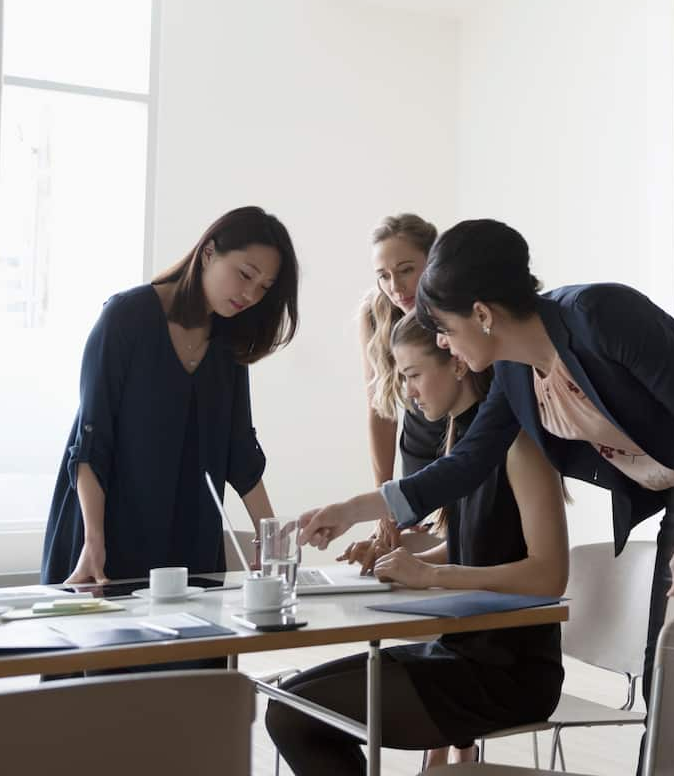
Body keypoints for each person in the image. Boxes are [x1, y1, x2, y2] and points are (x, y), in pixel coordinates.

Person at [301, 219, 674, 775]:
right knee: (671, 688)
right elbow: (465, 464)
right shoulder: (515, 371)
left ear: (482, 314)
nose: (443, 343)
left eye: (445, 328)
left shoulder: (602, 316)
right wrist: (354, 509)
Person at [273, 315, 568, 774]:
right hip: (462, 654)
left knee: (293, 715)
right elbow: (474, 546)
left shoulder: (518, 445)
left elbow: (549, 575)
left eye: (412, 375)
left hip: (508, 675)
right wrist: (406, 560)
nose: (407, 392)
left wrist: (431, 576)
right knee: (289, 705)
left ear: (455, 364)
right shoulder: (461, 439)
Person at [41, 205, 299, 584]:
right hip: (107, 538)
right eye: (245, 274)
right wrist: (94, 540)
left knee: (198, 642)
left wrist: (270, 538)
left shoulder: (229, 342)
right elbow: (90, 444)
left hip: (189, 542)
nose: (250, 294)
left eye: (263, 288)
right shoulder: (126, 317)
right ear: (209, 252)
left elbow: (239, 449)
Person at [358, 213, 447, 551]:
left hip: (466, 442)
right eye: (383, 276)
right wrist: (386, 506)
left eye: (407, 270)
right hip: (418, 448)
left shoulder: (458, 309)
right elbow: (380, 412)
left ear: (433, 260)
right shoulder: (374, 313)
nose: (395, 287)